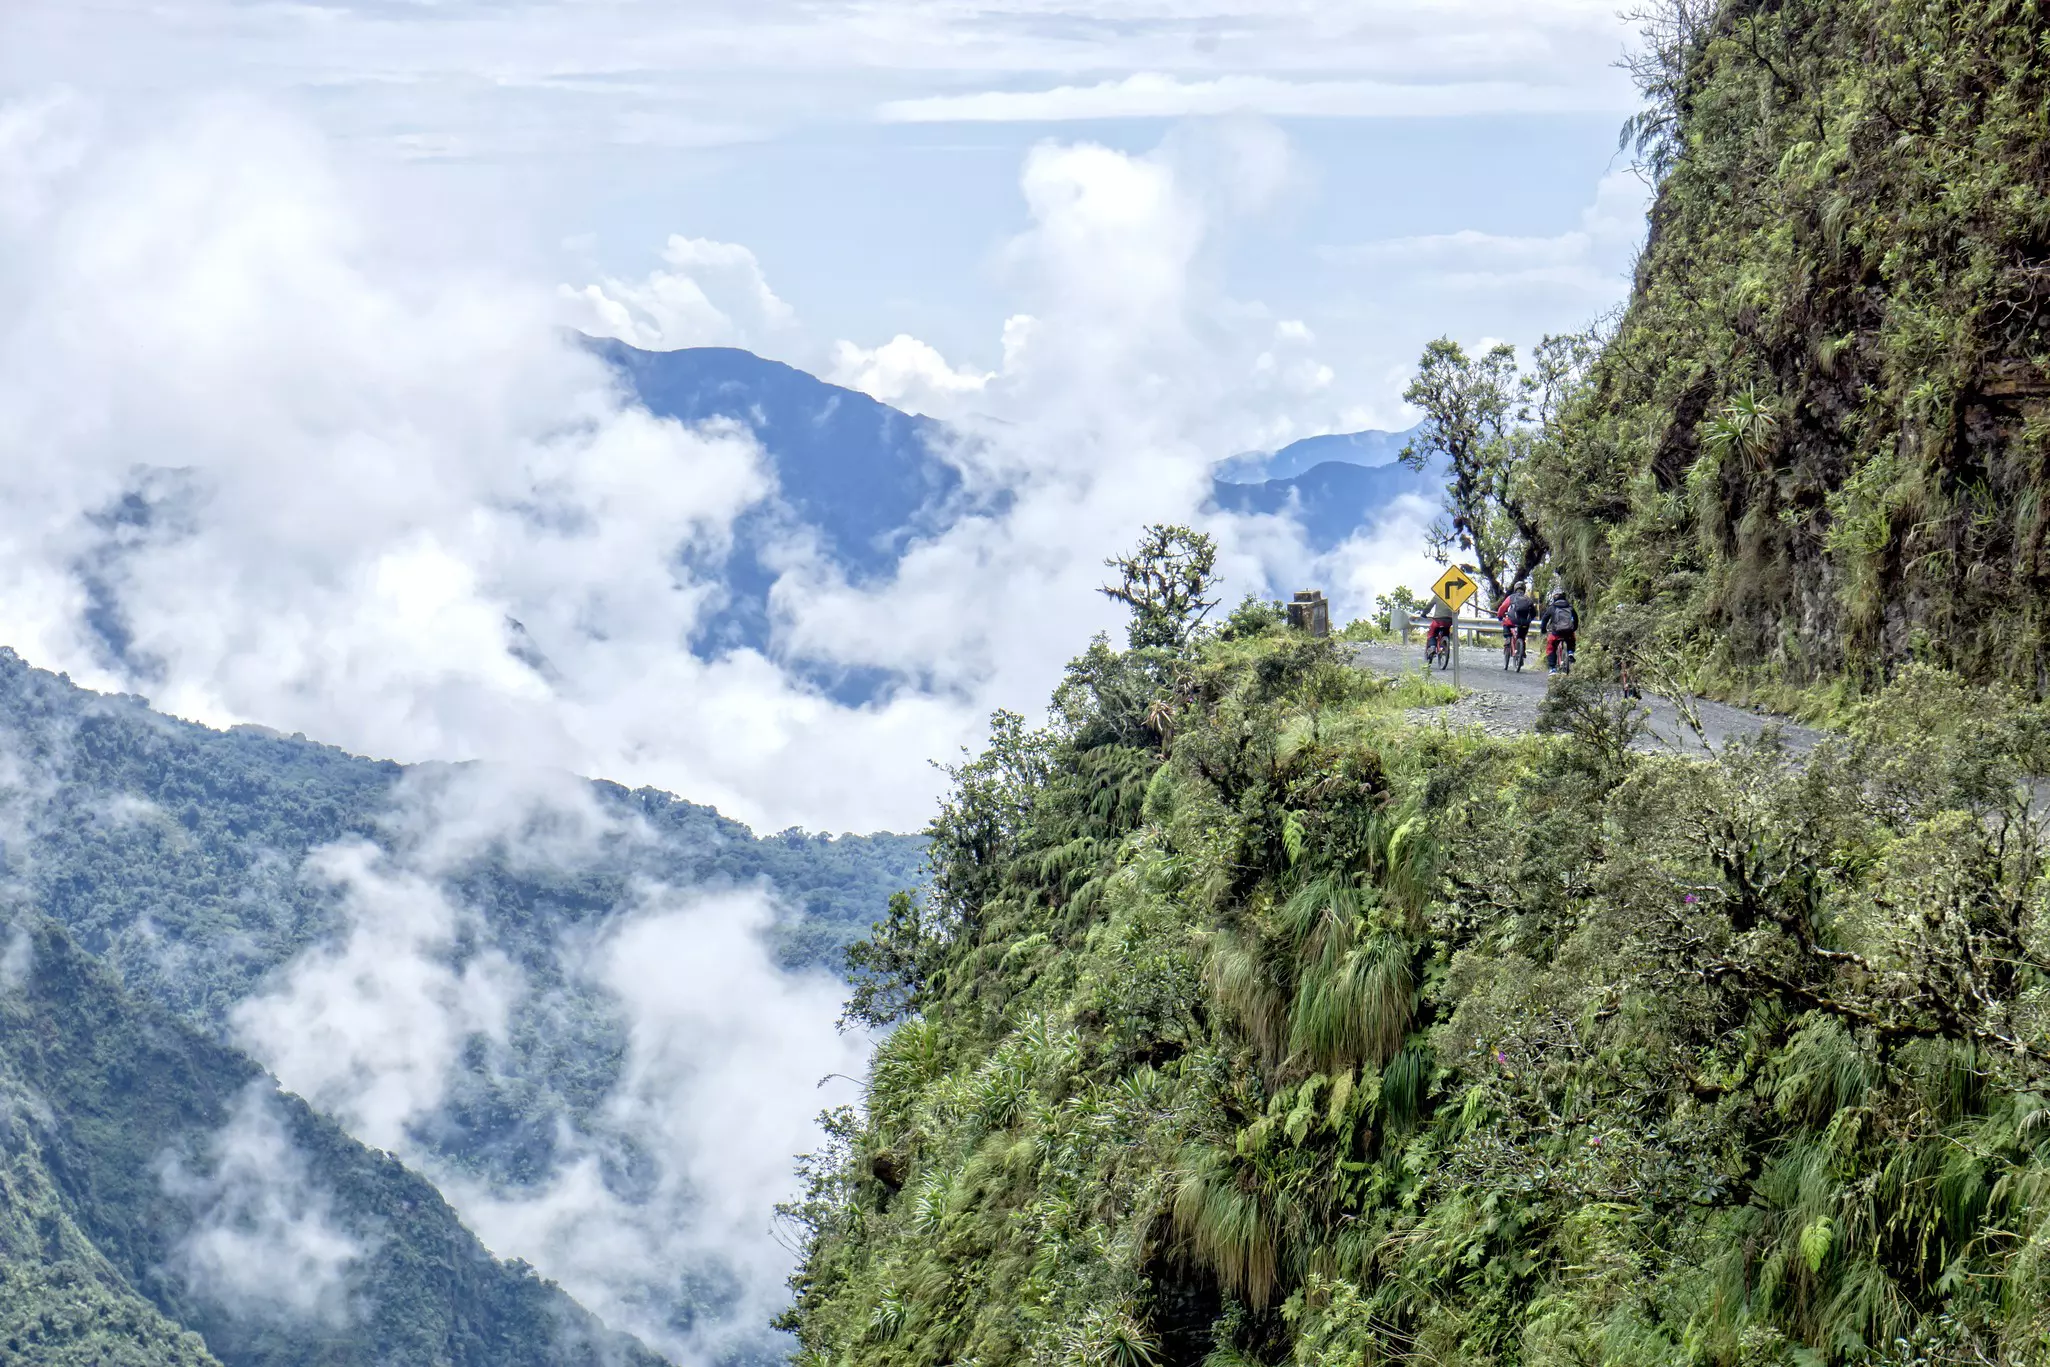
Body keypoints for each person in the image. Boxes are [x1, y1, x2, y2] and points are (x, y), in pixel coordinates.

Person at [1539, 589, 1578, 673]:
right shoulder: (1570, 606)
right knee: (1572, 638)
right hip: (1569, 632)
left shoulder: (1552, 607)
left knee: (1551, 647)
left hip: (1556, 633)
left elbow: (1545, 619)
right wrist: (1574, 628)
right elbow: (1576, 618)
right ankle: (1570, 652)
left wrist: (1543, 630)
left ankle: (1553, 668)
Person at [1499, 586, 1537, 663]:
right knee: (1522, 637)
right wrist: (1530, 619)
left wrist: (1500, 616)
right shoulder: (1528, 599)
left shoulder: (1511, 597)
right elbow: (1533, 612)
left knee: (1505, 624)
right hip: (1525, 622)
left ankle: (1508, 640)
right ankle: (1522, 651)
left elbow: (1503, 607)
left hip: (1512, 621)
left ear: (1515, 589)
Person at [1424, 591, 1456, 657]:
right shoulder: (1454, 596)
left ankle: (1432, 647)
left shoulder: (1438, 595)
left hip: (1438, 619)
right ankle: (1445, 646)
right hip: (1449, 620)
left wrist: (1424, 613)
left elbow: (1429, 605)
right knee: (1446, 632)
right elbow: (1457, 610)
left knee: (1431, 633)